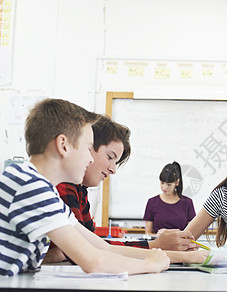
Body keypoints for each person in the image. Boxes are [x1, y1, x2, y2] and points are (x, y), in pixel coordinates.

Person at [0, 99, 169, 276]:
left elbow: (103, 248)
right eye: (88, 149)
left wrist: (159, 256)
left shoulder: (43, 189)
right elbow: (94, 262)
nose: (90, 159)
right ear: (63, 145)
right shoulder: (30, 186)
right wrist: (151, 265)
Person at [44, 115, 203, 265]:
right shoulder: (62, 185)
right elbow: (90, 250)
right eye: (110, 157)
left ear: (177, 183)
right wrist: (158, 248)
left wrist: (157, 247)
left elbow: (95, 245)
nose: (113, 170)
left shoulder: (79, 190)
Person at [144, 162, 196, 235]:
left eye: (169, 184)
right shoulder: (152, 202)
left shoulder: (187, 203)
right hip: (159, 244)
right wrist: (157, 235)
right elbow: (148, 233)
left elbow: (192, 233)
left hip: (181, 244)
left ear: (177, 182)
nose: (164, 188)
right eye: (162, 183)